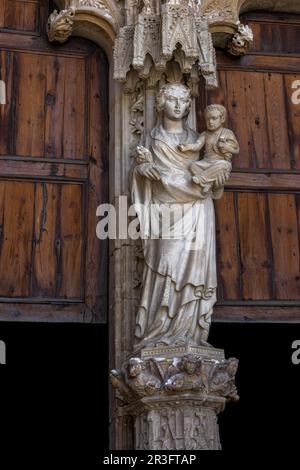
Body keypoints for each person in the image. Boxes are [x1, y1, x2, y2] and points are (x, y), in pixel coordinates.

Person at [131, 83, 231, 350]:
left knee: (195, 272)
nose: (178, 105)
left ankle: (191, 336)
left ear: (189, 106)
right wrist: (144, 171)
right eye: (172, 99)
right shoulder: (153, 140)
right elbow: (149, 180)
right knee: (167, 264)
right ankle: (160, 330)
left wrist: (216, 178)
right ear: (161, 104)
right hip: (167, 212)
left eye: (183, 100)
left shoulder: (197, 139)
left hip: (198, 212)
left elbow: (213, 178)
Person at [178, 104, 239, 198]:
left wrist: (226, 147)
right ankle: (208, 184)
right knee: (192, 166)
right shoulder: (205, 134)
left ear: (222, 119)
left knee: (224, 165)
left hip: (219, 163)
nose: (210, 122)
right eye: (208, 119)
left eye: (214, 118)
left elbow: (236, 150)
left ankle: (202, 179)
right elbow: (197, 146)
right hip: (206, 162)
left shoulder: (227, 133)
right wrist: (187, 147)